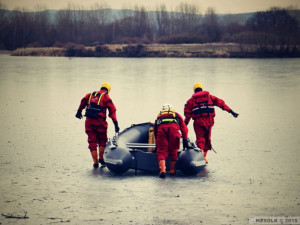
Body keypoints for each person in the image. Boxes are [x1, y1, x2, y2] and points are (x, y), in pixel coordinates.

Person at [184, 82, 238, 164]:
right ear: (202, 89)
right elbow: (221, 104)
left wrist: (184, 126)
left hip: (198, 123)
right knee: (207, 140)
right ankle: (204, 157)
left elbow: (188, 116)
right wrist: (231, 111)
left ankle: (201, 156)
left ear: (194, 90)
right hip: (209, 122)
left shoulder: (191, 101)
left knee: (200, 140)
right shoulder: (210, 97)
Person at [75, 82, 120, 168]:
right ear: (108, 90)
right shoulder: (106, 97)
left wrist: (79, 111)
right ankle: (101, 158)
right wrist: (116, 124)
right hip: (100, 122)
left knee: (92, 141)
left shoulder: (90, 94)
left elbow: (83, 101)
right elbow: (112, 112)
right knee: (102, 140)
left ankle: (95, 163)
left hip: (89, 122)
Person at [154, 103, 189, 178]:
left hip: (161, 131)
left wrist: (157, 142)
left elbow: (155, 130)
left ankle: (162, 170)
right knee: (173, 149)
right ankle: (172, 170)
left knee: (161, 151)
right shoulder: (176, 115)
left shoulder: (159, 116)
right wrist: (185, 139)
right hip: (174, 130)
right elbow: (184, 129)